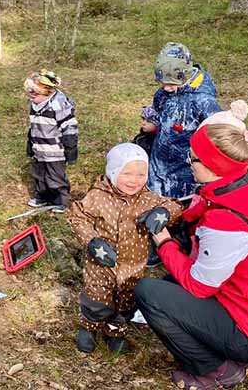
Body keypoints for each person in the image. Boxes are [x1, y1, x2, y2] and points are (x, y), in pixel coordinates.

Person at [135, 114, 248, 390]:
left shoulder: (227, 222)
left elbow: (199, 286)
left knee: (150, 293)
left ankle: (215, 369)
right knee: (170, 283)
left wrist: (163, 240)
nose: (187, 161)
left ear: (213, 166)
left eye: (193, 158)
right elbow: (208, 204)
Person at [69, 143, 183, 354]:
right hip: (101, 264)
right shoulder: (97, 196)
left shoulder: (147, 198)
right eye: (127, 173)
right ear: (113, 172)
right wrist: (92, 240)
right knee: (97, 299)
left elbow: (175, 205)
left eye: (141, 174)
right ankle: (90, 328)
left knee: (126, 302)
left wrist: (163, 213)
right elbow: (78, 216)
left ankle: (116, 331)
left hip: (133, 265)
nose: (134, 180)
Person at [148, 42, 221, 199]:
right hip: (159, 162)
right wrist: (152, 121)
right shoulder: (165, 92)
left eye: (171, 84)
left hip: (185, 170)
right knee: (155, 200)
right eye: (162, 83)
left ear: (185, 75)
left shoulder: (202, 101)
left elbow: (218, 132)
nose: (165, 87)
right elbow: (158, 108)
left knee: (180, 207)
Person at [24, 70, 78, 211]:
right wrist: (31, 143)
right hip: (39, 149)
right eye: (30, 93)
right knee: (39, 174)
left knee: (55, 176)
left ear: (47, 93)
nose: (31, 97)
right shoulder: (34, 105)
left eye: (35, 94)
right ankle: (42, 196)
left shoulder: (58, 106)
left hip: (55, 151)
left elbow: (69, 128)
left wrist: (70, 149)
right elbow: (34, 126)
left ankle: (60, 200)